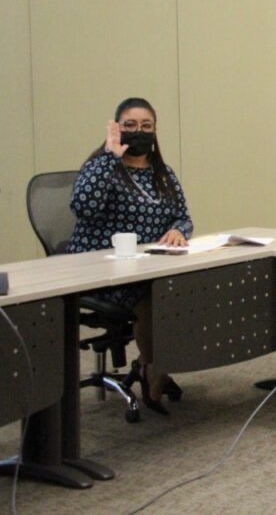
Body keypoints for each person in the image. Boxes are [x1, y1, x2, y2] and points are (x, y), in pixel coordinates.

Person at [68, 97, 193, 415]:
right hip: (101, 270)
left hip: (147, 265)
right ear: (117, 129)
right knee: (151, 295)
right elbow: (82, 206)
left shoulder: (163, 174)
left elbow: (183, 217)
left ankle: (149, 361)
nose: (139, 131)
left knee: (181, 288)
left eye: (146, 126)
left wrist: (178, 230)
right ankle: (153, 367)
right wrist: (110, 157)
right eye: (130, 125)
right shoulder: (102, 167)